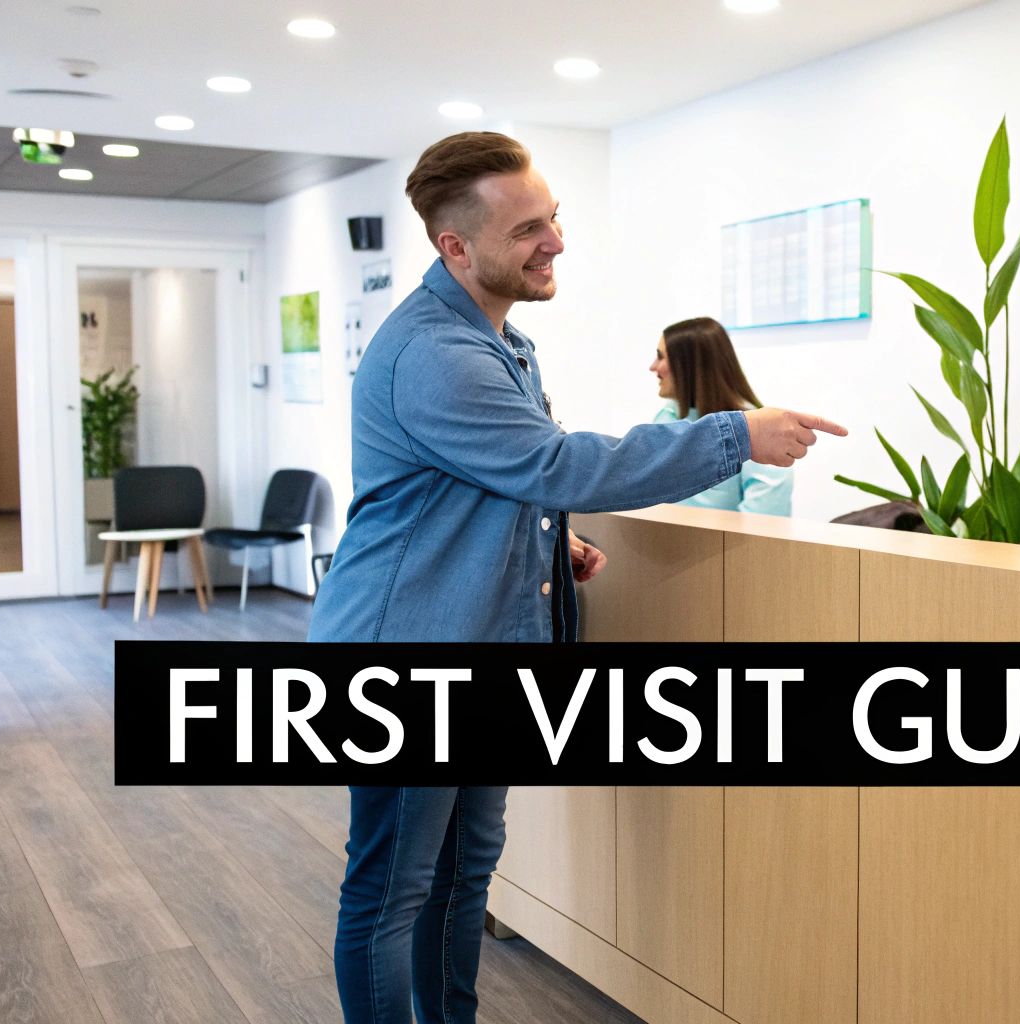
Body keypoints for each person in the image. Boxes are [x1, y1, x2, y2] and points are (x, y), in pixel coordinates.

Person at [308, 131, 845, 1024]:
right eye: (527, 229)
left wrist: (547, 546)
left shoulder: (501, 340)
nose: (555, 240)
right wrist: (734, 434)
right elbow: (557, 467)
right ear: (456, 247)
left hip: (474, 649)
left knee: (466, 870)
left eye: (553, 217)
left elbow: (495, 486)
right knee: (394, 887)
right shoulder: (438, 352)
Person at [648, 316, 793, 516]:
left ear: (689, 365)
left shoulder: (754, 427)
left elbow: (766, 514)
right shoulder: (666, 418)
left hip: (728, 546)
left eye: (661, 356)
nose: (653, 367)